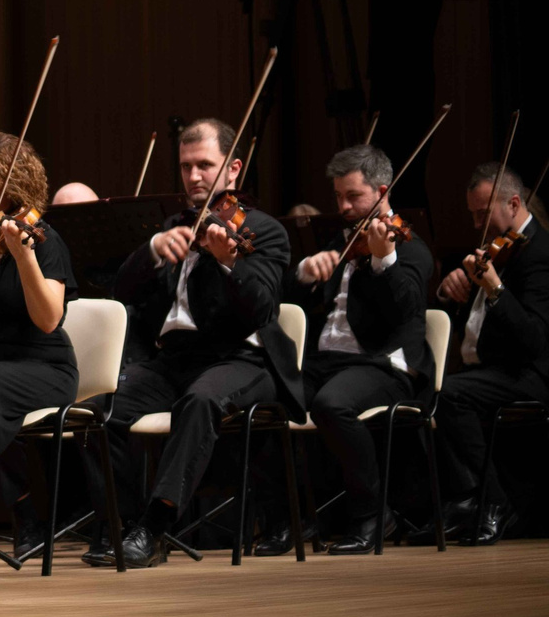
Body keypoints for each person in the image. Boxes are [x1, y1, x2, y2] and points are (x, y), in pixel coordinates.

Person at [91, 119, 295, 568]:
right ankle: (123, 524)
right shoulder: (175, 226)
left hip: (240, 358)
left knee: (200, 401)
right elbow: (121, 292)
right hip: (174, 360)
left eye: (205, 165)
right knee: (101, 409)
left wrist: (228, 262)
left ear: (234, 169)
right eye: (186, 166)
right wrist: (151, 248)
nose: (194, 176)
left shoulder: (263, 230)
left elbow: (262, 310)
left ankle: (154, 529)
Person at [270, 0, 474, 208]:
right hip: (420, 77)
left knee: (385, 174)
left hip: (391, 77)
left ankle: (396, 238)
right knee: (410, 172)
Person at [284, 145, 434, 554]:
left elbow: (405, 309)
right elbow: (287, 298)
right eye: (338, 197)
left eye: (353, 196)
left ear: (382, 192)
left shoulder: (410, 247)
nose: (344, 207)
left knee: (332, 404)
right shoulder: (341, 241)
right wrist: (305, 272)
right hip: (327, 363)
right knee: (267, 398)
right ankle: (290, 519)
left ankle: (373, 514)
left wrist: (385, 261)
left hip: (384, 366)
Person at [0, 135, 76, 564]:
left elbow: (49, 319)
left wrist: (24, 258)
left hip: (43, 367)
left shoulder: (43, 241)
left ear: (16, 192)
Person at [424, 162, 548, 543]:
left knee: (452, 395)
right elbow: (473, 320)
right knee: (425, 392)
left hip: (529, 374)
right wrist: (451, 291)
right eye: (473, 215)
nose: (477, 224)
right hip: (489, 370)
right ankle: (464, 500)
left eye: (483, 213)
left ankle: (492, 501)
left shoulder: (540, 253)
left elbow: (534, 339)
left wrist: (495, 289)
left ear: (514, 204)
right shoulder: (500, 249)